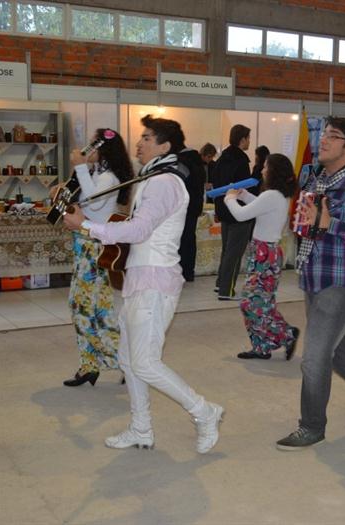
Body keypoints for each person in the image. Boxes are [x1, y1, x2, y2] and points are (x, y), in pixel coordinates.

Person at [63, 115, 223, 454]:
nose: (139, 143)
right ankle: (141, 429)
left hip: (155, 279)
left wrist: (86, 228)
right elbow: (132, 226)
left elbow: (139, 231)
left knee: (146, 363)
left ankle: (204, 412)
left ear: (165, 146)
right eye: (141, 137)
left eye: (147, 138)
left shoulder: (165, 182)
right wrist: (89, 223)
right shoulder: (154, 177)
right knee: (128, 358)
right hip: (140, 277)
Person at [276, 117, 345, 451]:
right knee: (336, 350)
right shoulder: (318, 180)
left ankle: (311, 426)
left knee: (313, 357)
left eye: (333, 136)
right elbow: (311, 228)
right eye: (323, 134)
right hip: (317, 277)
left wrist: (331, 223)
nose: (323, 140)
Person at [60, 128, 133, 387]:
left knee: (90, 308)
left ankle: (123, 362)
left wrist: (80, 167)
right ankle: (91, 365)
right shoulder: (96, 174)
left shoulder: (109, 178)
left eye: (93, 144)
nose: (87, 148)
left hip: (95, 247)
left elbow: (94, 202)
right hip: (85, 245)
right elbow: (83, 204)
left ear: (103, 149)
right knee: (88, 308)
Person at [224, 153, 300, 360]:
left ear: (273, 171)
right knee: (260, 301)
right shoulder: (277, 195)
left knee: (251, 302)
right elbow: (261, 207)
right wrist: (244, 196)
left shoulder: (272, 195)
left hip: (265, 254)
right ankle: (262, 347)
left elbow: (241, 215)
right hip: (265, 252)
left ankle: (285, 333)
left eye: (266, 166)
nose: (263, 170)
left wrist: (230, 199)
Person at [211, 125, 252, 300]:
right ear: (242, 139)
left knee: (227, 249)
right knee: (234, 252)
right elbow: (244, 188)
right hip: (238, 210)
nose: (249, 141)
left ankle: (221, 282)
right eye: (248, 138)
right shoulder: (241, 160)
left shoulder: (222, 158)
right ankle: (226, 290)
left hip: (223, 208)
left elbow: (216, 184)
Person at [177, 145, 206, 282]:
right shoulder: (198, 163)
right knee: (190, 238)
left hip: (182, 207)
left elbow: (178, 184)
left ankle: (181, 270)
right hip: (195, 206)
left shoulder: (182, 163)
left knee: (181, 239)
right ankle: (189, 271)